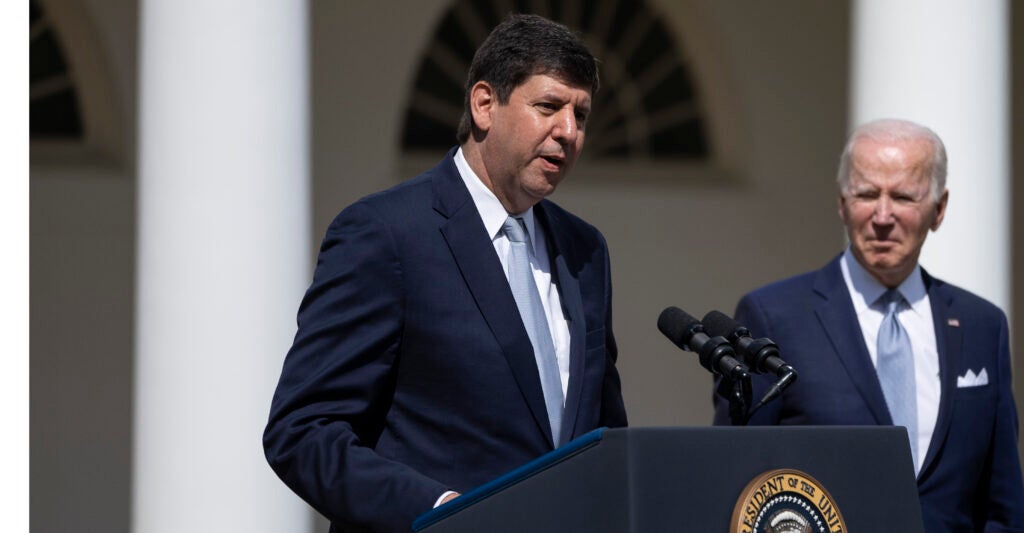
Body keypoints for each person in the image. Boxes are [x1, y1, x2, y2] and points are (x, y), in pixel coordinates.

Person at [264, 14, 627, 533]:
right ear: (484, 104)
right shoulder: (387, 233)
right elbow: (303, 431)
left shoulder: (585, 249)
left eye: (582, 115)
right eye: (548, 106)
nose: (568, 132)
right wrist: (441, 511)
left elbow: (602, 432)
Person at [713, 118, 1024, 531]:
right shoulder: (774, 318)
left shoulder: (982, 326)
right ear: (842, 202)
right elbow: (737, 484)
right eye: (866, 194)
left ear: (939, 209)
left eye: (903, 196)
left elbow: (1002, 505)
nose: (882, 215)